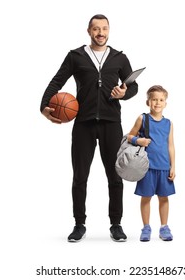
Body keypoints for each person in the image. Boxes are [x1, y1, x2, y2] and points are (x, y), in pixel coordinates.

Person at [40, 14, 138, 242]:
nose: (100, 33)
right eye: (96, 29)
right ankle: (79, 224)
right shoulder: (75, 56)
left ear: (109, 31)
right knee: (80, 177)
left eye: (104, 28)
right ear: (89, 31)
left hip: (111, 123)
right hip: (83, 123)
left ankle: (116, 224)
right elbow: (57, 81)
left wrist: (124, 94)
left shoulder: (119, 58)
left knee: (115, 176)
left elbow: (133, 87)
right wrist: (43, 106)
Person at [127, 85, 175, 241]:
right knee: (146, 197)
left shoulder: (169, 123)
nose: (157, 103)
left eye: (161, 100)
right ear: (148, 102)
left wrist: (173, 166)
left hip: (163, 167)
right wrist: (138, 140)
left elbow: (170, 145)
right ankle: (146, 227)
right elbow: (129, 136)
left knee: (164, 197)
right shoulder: (143, 118)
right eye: (154, 99)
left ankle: (164, 227)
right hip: (146, 167)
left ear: (165, 103)